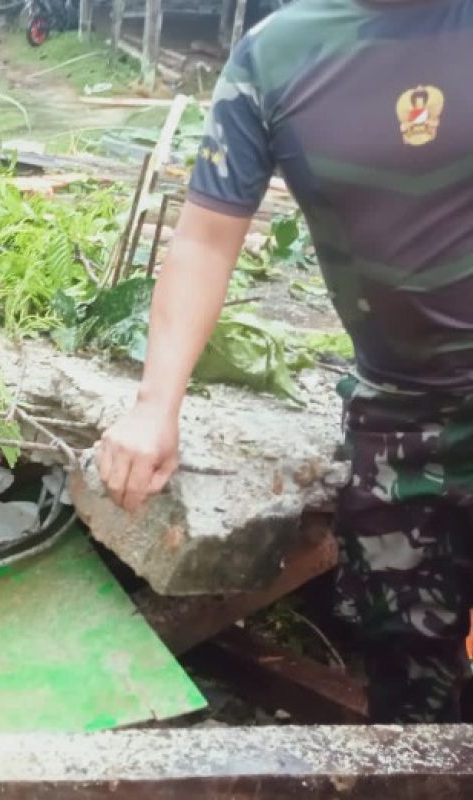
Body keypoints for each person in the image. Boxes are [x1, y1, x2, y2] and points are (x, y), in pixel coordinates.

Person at [95, 0, 473, 722]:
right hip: (401, 428)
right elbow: (206, 239)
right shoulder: (276, 57)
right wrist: (155, 407)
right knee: (408, 678)